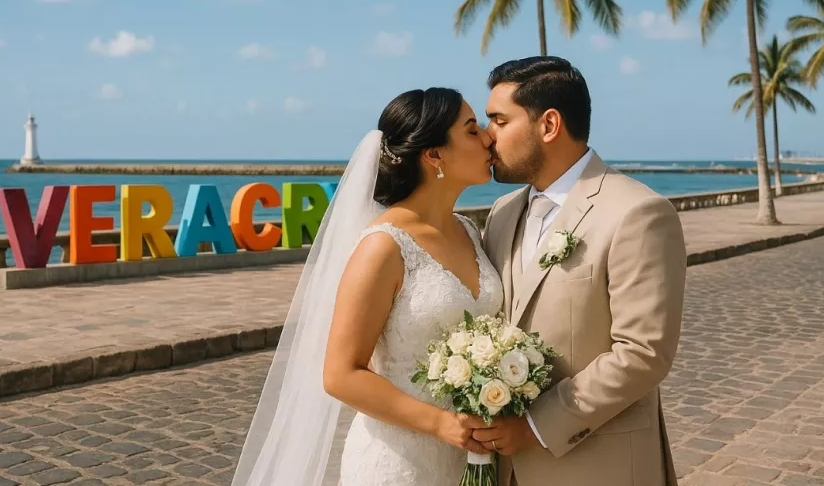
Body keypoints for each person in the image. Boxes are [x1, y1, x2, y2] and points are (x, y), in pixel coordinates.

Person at [230, 87, 503, 486]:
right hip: (400, 462)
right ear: (434, 155)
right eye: (471, 129)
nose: (488, 138)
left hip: (468, 460)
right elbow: (340, 374)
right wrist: (443, 424)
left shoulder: (469, 230)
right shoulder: (383, 246)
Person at [472, 56, 687, 486]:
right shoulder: (502, 213)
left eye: (498, 120)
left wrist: (535, 427)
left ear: (548, 125)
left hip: (596, 465)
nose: (485, 136)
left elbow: (643, 354)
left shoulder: (638, 212)